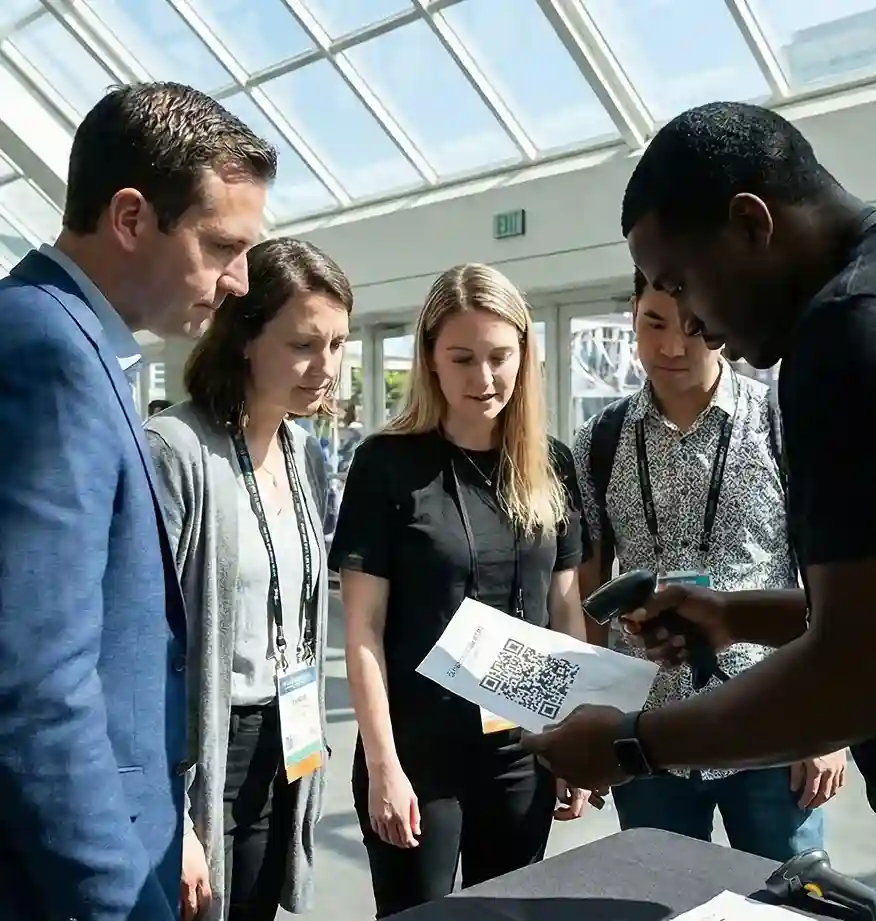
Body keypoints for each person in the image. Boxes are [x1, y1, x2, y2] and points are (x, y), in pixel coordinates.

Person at [522, 101, 876, 921]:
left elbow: (873, 667)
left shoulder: (849, 337)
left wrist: (632, 745)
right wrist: (734, 613)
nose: (689, 323)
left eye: (680, 282)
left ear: (750, 224)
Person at [0, 82, 274, 920]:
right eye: (222, 245)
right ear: (129, 218)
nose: (240, 281)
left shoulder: (72, 343)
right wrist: (117, 899)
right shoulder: (45, 351)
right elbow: (37, 683)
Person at [329, 263, 591, 918]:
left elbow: (565, 609)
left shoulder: (548, 463)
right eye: (462, 357)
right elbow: (360, 630)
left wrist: (573, 733)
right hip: (418, 752)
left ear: (524, 356)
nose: (483, 378)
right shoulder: (386, 464)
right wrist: (383, 765)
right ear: (430, 361)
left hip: (519, 751)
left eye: (500, 356)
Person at [573, 268, 844, 859]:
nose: (673, 347)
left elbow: (830, 582)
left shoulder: (778, 419)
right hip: (646, 729)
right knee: (658, 898)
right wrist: (585, 717)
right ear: (632, 315)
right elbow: (588, 588)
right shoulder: (599, 439)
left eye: (695, 328)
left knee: (787, 900)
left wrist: (828, 729)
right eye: (655, 324)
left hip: (774, 718)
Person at [145, 238, 352, 921]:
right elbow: (146, 649)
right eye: (302, 345)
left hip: (283, 739)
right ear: (242, 338)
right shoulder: (176, 450)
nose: (324, 368)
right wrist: (172, 817)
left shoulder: (302, 452)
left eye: (337, 344)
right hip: (205, 751)